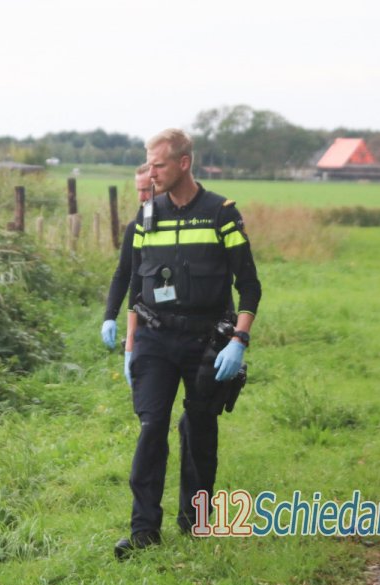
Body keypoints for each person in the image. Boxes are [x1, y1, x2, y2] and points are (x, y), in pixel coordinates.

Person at [115, 129, 261, 559]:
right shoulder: (145, 218)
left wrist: (239, 340)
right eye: (149, 163)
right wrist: (130, 346)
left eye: (158, 164)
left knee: (199, 428)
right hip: (156, 339)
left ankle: (195, 520)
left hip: (206, 341)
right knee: (151, 427)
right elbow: (136, 292)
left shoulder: (221, 215)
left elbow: (249, 287)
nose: (152, 172)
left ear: (183, 164)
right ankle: (144, 530)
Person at [100, 165, 153, 358]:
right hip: (146, 318)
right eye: (139, 190)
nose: (141, 197)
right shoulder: (135, 228)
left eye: (147, 189)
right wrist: (110, 317)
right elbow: (124, 273)